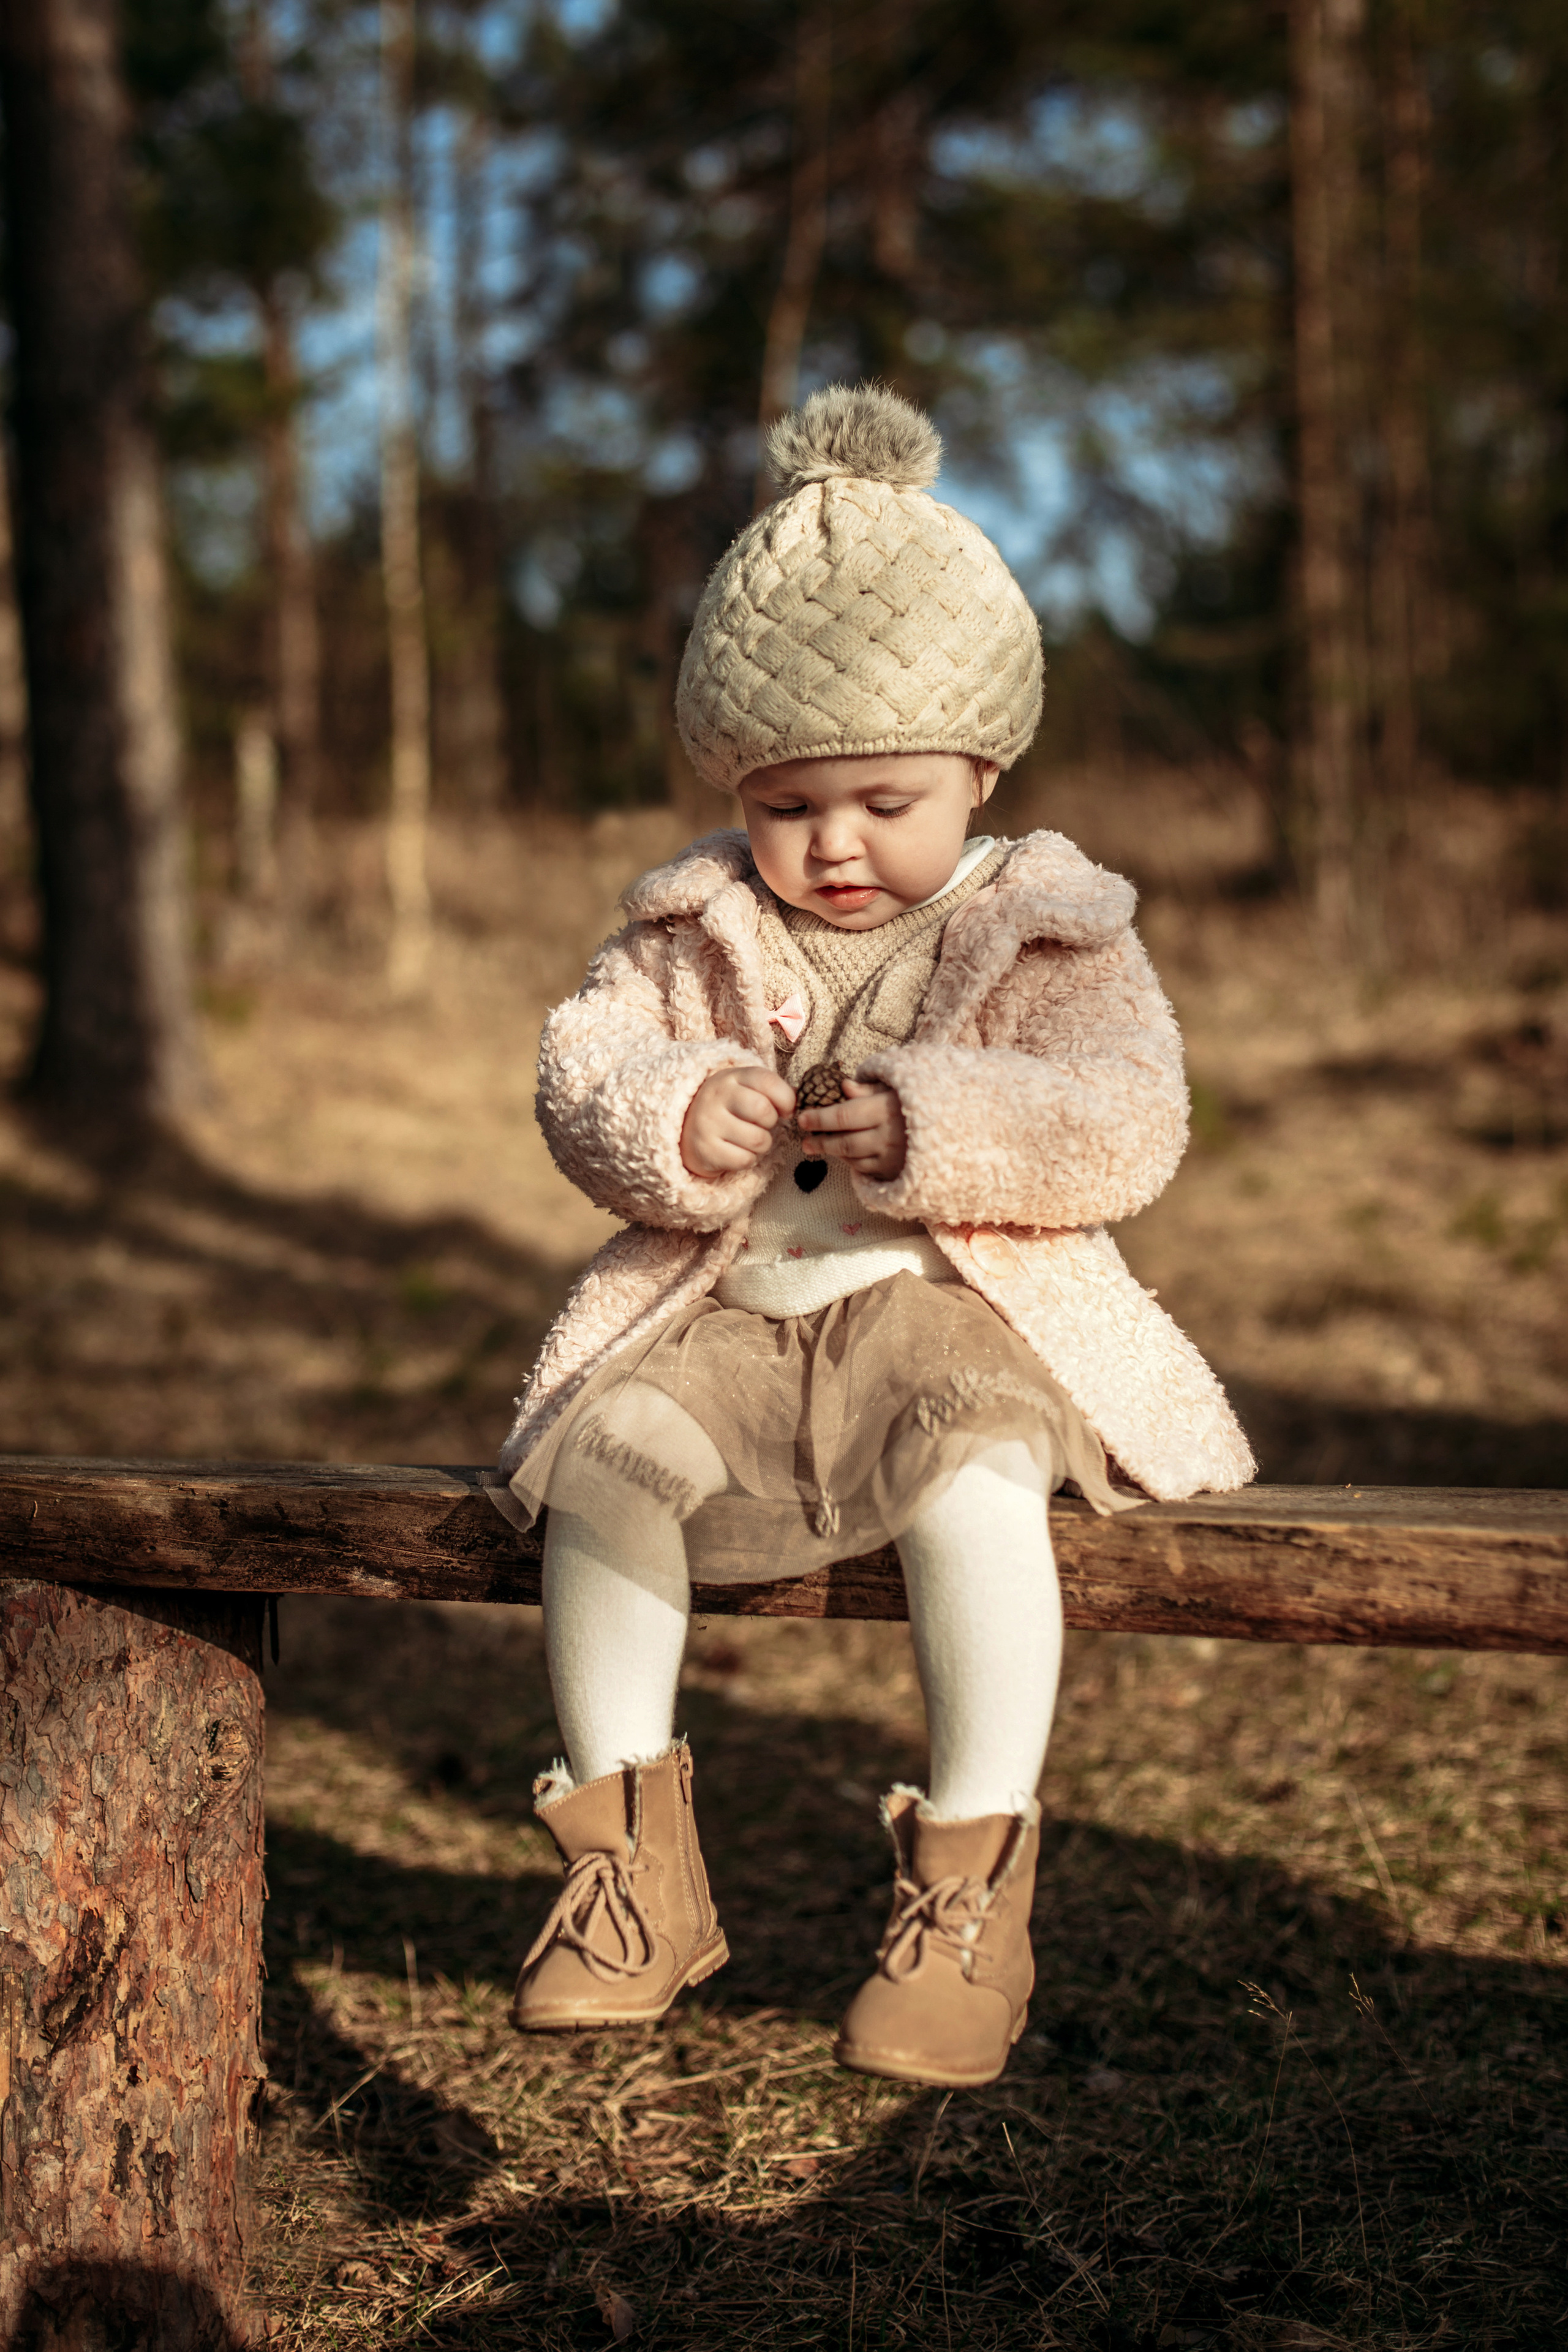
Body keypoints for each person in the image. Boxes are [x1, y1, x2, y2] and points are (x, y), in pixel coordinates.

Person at [488, 383, 1254, 2090]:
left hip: (944, 1322)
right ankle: (628, 1872)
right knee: (605, 1462)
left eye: (884, 799)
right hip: (731, 1328)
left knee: (976, 1483)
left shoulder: (1049, 925)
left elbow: (1131, 1118)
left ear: (984, 768)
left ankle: (970, 1890)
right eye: (786, 804)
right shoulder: (690, 920)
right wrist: (679, 1115)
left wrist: (938, 1123)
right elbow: (579, 1071)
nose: (831, 844)